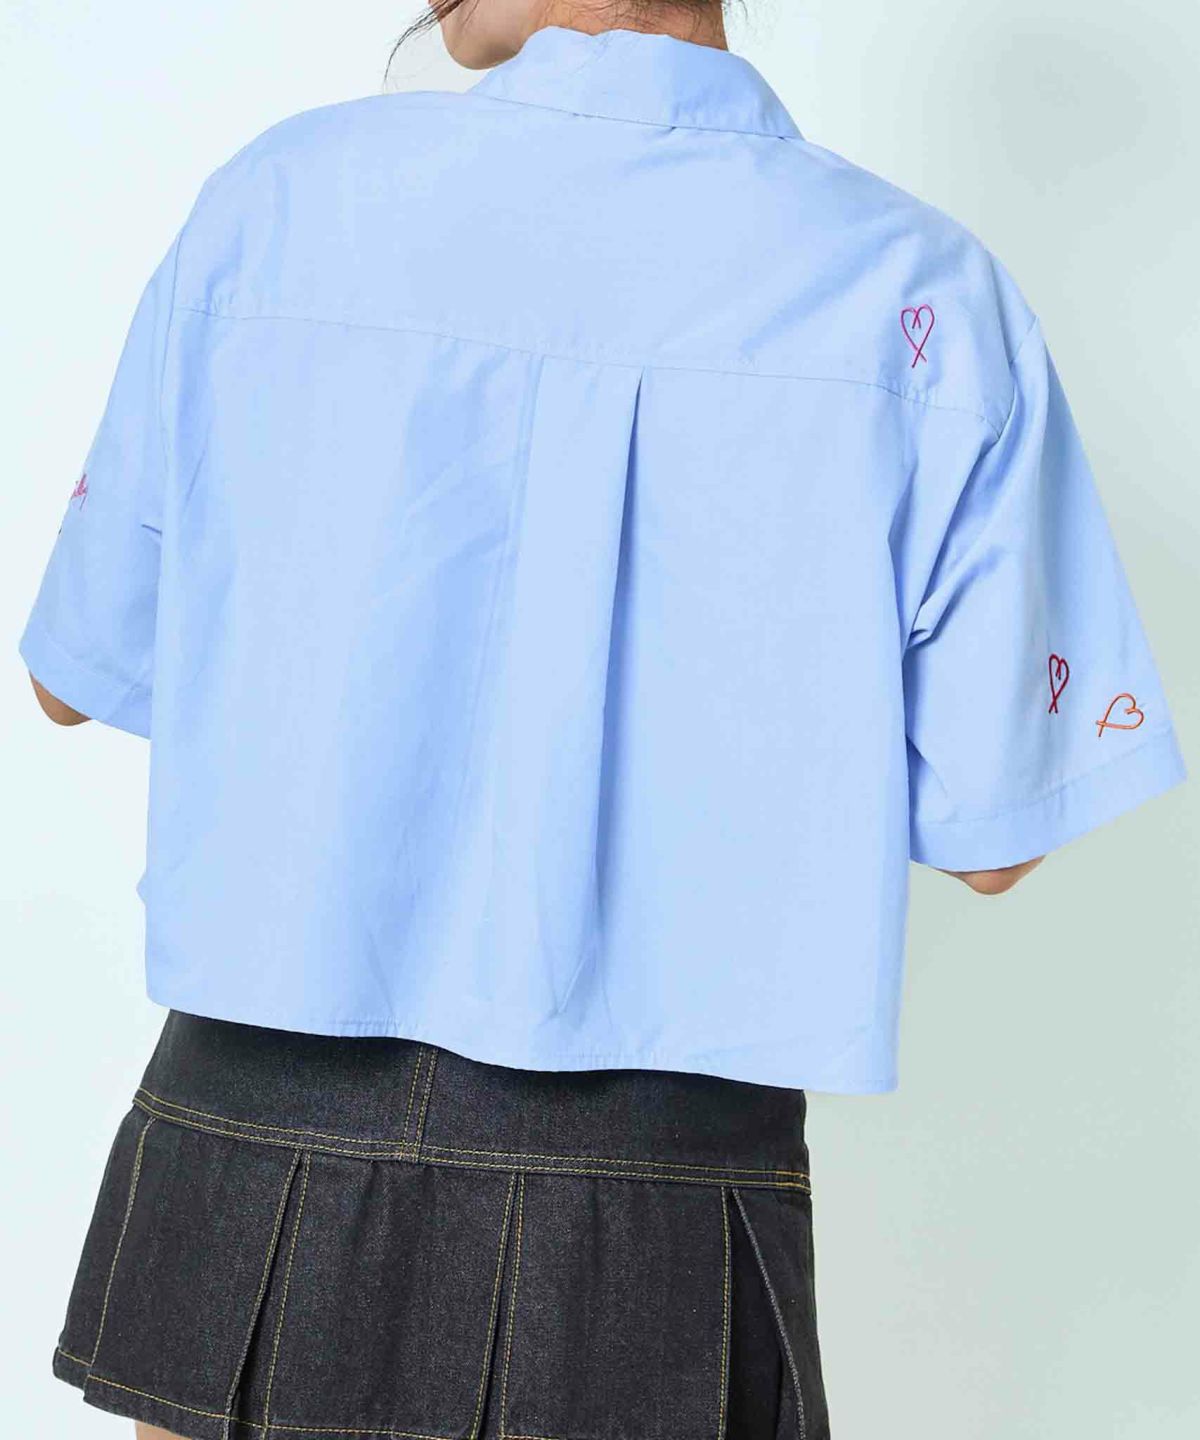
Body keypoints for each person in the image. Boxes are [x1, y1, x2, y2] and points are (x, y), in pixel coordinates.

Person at [21, 3, 1186, 1438]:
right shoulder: (920, 295)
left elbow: (75, 671)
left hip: (257, 1131)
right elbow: (997, 835)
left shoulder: (277, 204)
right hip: (655, 1182)